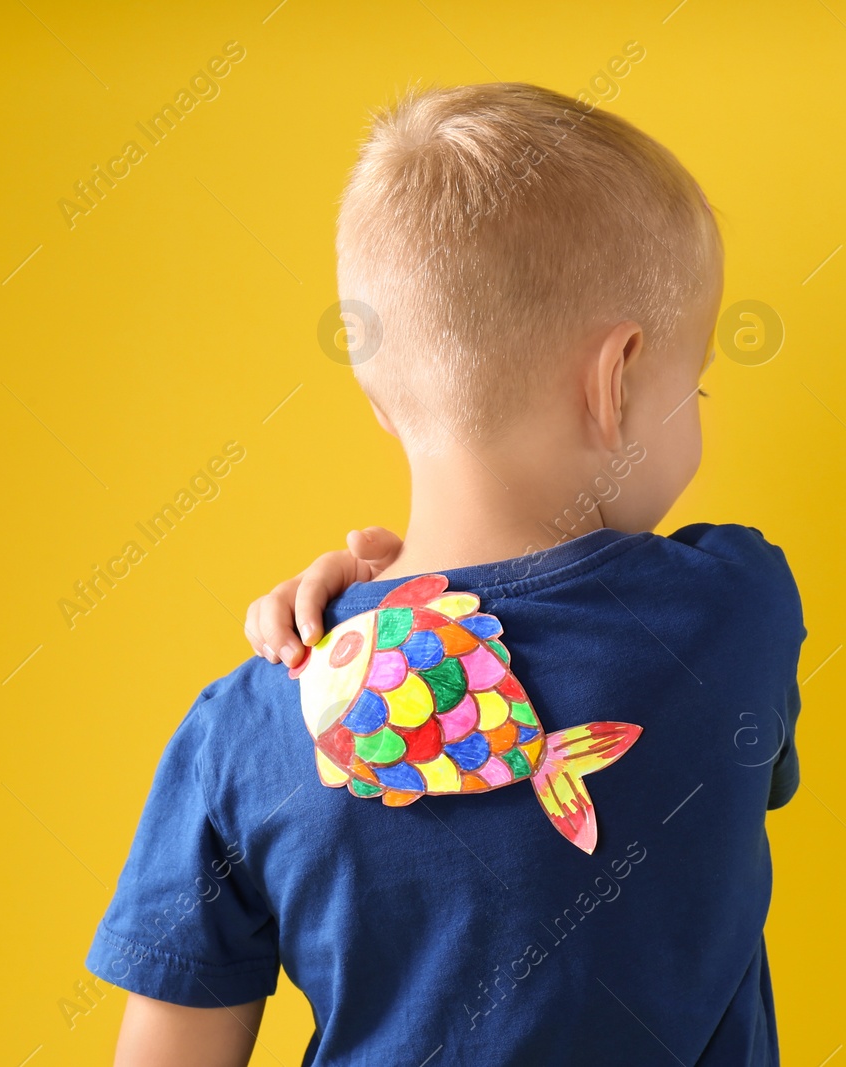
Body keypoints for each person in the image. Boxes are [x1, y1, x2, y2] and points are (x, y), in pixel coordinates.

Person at [87, 81, 806, 1066]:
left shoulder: (247, 721)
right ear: (619, 377)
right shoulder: (735, 608)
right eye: (698, 385)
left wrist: (360, 600)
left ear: (383, 402)